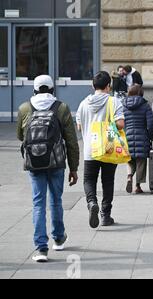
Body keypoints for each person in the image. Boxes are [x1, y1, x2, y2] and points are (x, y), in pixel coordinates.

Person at [17, 75, 80, 262]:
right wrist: (74, 168)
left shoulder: (24, 108)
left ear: (34, 90)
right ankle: (59, 238)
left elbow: (21, 136)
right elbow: (71, 141)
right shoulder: (61, 108)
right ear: (53, 89)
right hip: (56, 162)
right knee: (56, 200)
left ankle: (41, 248)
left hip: (34, 163)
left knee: (38, 203)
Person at [76, 71, 125, 228]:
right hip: (109, 146)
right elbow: (121, 124)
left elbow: (79, 126)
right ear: (108, 86)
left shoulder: (83, 104)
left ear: (92, 85)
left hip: (91, 147)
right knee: (108, 181)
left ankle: (91, 202)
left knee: (89, 179)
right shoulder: (113, 101)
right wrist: (107, 125)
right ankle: (105, 215)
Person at [122, 84, 153, 194]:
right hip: (142, 135)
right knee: (141, 162)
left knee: (130, 160)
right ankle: (137, 186)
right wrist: (150, 136)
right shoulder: (145, 105)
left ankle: (129, 176)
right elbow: (150, 124)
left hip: (127, 136)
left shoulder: (123, 105)